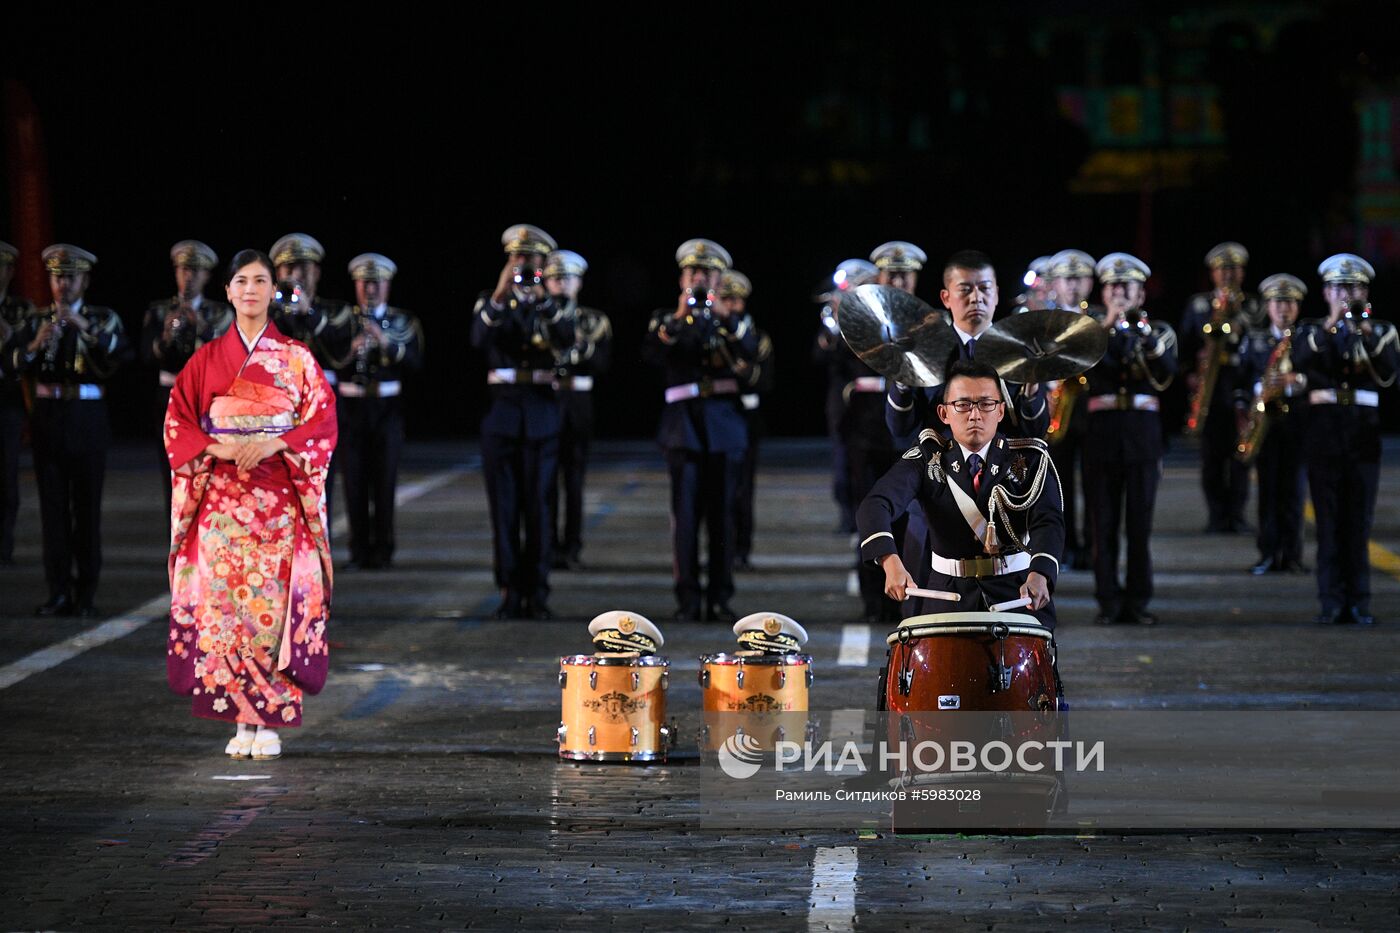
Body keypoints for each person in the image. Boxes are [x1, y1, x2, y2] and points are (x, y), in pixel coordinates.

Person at [163, 249, 338, 761]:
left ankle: (270, 718)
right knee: (224, 610)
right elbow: (178, 420)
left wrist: (274, 443)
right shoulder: (206, 359)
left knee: (270, 610)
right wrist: (217, 448)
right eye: (241, 281)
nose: (250, 290)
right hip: (222, 502)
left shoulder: (296, 358)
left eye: (260, 281)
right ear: (228, 291)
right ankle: (239, 718)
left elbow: (323, 421)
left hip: (276, 499)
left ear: (271, 291)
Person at [885, 251, 1049, 614]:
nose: (976, 298)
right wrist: (900, 374)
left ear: (997, 294)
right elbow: (899, 428)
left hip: (1002, 501)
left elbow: (1036, 433)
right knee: (921, 616)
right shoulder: (923, 348)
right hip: (936, 501)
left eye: (985, 288)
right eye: (966, 289)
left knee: (1012, 620)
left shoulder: (1019, 350)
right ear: (946, 297)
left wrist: (1033, 384)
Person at [858, 359, 1064, 628]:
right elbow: (875, 505)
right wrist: (890, 561)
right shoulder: (927, 457)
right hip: (947, 598)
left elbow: (1048, 520)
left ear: (1001, 411)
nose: (975, 415)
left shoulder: (1029, 459)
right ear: (944, 413)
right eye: (963, 404)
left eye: (986, 404)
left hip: (1016, 592)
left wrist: (1040, 573)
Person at [642, 238, 757, 622]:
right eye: (693, 272)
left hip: (724, 428)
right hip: (683, 429)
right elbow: (652, 355)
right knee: (686, 519)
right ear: (682, 278)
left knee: (723, 516)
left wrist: (723, 316)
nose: (700, 278)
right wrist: (680, 315)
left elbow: (751, 352)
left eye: (707, 273)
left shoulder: (734, 320)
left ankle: (720, 596)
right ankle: (688, 598)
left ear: (720, 279)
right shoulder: (667, 320)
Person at [15, 244, 131, 617]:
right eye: (57, 277)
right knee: (52, 510)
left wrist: (85, 328)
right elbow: (12, 363)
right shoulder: (36, 319)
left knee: (86, 507)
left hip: (87, 415)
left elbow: (121, 354)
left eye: (70, 277)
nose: (63, 284)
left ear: (85, 281)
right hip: (48, 415)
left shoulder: (102, 318)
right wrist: (36, 344)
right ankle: (58, 591)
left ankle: (86, 593)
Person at [472, 224, 575, 619]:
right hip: (502, 415)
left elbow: (566, 337)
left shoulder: (556, 303)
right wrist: (501, 293)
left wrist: (543, 299)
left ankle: (538, 592)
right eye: (518, 259)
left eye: (532, 260)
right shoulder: (493, 302)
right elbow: (478, 339)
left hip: (542, 415)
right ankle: (509, 591)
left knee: (540, 509)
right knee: (504, 510)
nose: (526, 267)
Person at [1293, 253, 1397, 625]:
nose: (1346, 294)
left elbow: (1390, 373)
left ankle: (1359, 601)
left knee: (1359, 520)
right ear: (1325, 292)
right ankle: (1331, 601)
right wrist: (1332, 324)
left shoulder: (1381, 331)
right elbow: (1301, 361)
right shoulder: (1310, 330)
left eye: (1353, 288)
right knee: (1328, 520)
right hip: (1324, 430)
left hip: (1362, 431)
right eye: (1339, 288)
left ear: (1365, 292)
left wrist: (1365, 332)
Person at [1082, 253, 1178, 626]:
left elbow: (1166, 375)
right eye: (1112, 286)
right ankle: (1107, 602)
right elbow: (1085, 368)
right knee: (1102, 524)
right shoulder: (1090, 330)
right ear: (1103, 292)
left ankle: (1138, 601)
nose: (1119, 292)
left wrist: (1144, 336)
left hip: (1141, 436)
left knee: (1139, 525)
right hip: (1102, 435)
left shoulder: (1159, 332)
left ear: (1141, 294)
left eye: (1127, 286)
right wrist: (1107, 324)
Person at [330, 253, 424, 570]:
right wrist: (351, 349)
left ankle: (384, 549)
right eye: (364, 283)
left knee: (385, 482)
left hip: (387, 409)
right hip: (351, 408)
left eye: (377, 283)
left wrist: (385, 342)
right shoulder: (343, 320)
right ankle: (358, 551)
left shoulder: (403, 322)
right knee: (354, 482)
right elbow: (328, 358)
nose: (370, 289)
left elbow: (415, 362)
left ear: (387, 285)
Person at [141, 240, 233, 510]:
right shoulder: (160, 311)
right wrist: (165, 337)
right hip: (170, 396)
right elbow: (146, 357)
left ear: (207, 275)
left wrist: (202, 327)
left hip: (207, 400)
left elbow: (229, 355)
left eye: (195, 270)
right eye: (183, 269)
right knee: (172, 472)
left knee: (209, 473)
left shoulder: (220, 313)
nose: (189, 276)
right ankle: (176, 534)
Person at [1180, 242, 1260, 533]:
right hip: (1211, 388)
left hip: (1241, 384)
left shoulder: (1254, 306)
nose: (1228, 274)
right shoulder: (1199, 305)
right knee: (1211, 457)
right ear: (1212, 273)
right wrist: (1190, 373)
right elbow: (1185, 345)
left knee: (1241, 453)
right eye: (1222, 269)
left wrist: (1240, 324)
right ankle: (1216, 516)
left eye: (1234, 268)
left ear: (1243, 272)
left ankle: (1237, 515)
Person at [1236, 273, 1310, 576]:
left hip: (1297, 422)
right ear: (1267, 307)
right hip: (1265, 424)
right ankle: (1268, 553)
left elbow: (1318, 376)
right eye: (1278, 303)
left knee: (1294, 492)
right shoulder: (1254, 340)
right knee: (1267, 491)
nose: (1283, 309)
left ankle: (1292, 555)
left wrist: (1296, 380)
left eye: (1289, 303)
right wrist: (1251, 401)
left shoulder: (1307, 339)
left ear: (1298, 307)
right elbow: (1240, 380)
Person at [545, 249, 611, 571]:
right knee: (543, 478)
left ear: (579, 282)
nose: (561, 283)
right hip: (546, 397)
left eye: (567, 277)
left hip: (577, 400)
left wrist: (581, 344)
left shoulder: (593, 320)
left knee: (573, 479)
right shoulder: (538, 315)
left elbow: (601, 362)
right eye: (555, 278)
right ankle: (546, 546)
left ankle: (571, 547)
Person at [813, 258, 879, 536]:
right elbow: (820, 357)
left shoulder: (875, 317)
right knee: (842, 459)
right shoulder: (835, 318)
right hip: (842, 400)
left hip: (872, 401)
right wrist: (836, 324)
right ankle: (847, 515)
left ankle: (867, 517)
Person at [1043, 248, 1099, 569]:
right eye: (1067, 279)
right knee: (1059, 487)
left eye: (1079, 278)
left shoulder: (1100, 320)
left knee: (1095, 485)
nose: (1073, 285)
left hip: (1091, 412)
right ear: (1055, 284)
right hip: (1058, 409)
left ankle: (1091, 549)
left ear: (1089, 283)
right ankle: (1063, 549)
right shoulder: (1042, 322)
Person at [720, 269, 772, 571]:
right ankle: (723, 550)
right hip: (720, 415)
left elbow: (765, 380)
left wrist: (744, 373)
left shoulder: (755, 338)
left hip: (746, 417)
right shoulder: (713, 334)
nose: (730, 306)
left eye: (735, 300)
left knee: (743, 488)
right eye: (725, 299)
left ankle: (741, 549)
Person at [0, 241, 36, 566]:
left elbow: (30, 354)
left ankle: (3, 544)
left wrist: (10, 336)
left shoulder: (21, 311)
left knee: (6, 477)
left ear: (10, 271)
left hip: (6, 400)